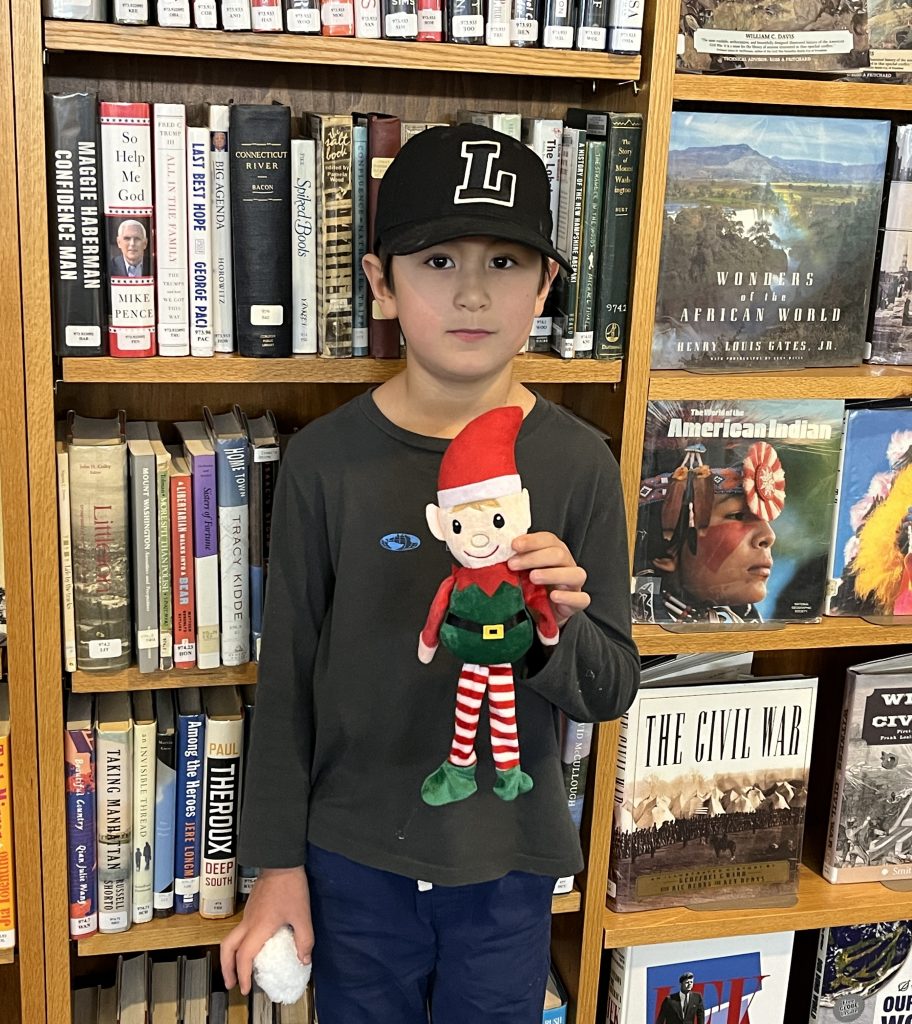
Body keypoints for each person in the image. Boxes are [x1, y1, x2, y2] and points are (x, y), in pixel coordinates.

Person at [219, 123, 640, 1023]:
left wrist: (550, 625)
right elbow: (287, 675)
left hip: (508, 867)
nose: (473, 292)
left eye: (505, 262)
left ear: (546, 286)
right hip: (351, 862)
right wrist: (276, 868)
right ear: (382, 282)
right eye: (438, 261)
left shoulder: (580, 465)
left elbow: (610, 689)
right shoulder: (325, 462)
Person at [634, 439, 782, 623]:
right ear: (665, 551)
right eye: (738, 515)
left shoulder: (746, 622)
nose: (768, 536)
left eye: (765, 519)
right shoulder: (635, 629)